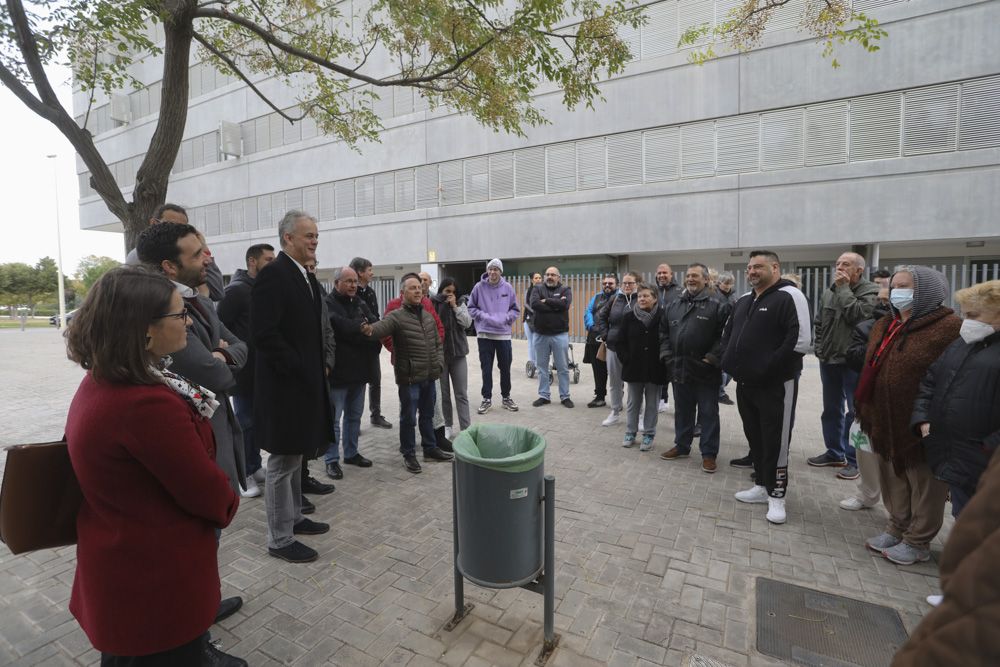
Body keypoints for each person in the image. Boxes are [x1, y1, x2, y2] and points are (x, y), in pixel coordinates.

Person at [64, 267, 244, 666]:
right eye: (180, 315)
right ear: (145, 329)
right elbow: (206, 491)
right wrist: (228, 498)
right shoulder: (145, 403)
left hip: (123, 574)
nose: (187, 324)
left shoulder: (105, 380)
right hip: (154, 588)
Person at [136, 221, 249, 624]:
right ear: (168, 265)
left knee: (206, 546)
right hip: (198, 448)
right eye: (198, 253)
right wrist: (220, 356)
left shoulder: (196, 300)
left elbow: (238, 345)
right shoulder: (158, 313)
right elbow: (215, 374)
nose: (208, 258)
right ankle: (195, 626)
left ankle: (204, 606)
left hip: (212, 438)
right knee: (192, 549)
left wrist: (222, 353)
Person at [855, 266, 961, 565]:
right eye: (894, 285)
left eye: (906, 286)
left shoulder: (949, 328)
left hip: (919, 423)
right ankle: (897, 525)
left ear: (927, 291)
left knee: (924, 482)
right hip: (882, 418)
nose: (896, 292)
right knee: (893, 477)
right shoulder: (885, 325)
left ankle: (918, 541)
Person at [252, 210, 333, 564]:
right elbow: (265, 334)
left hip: (304, 387)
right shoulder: (274, 276)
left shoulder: (304, 276)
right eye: (308, 236)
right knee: (282, 462)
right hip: (286, 390)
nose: (314, 241)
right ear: (288, 238)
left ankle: (295, 517)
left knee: (297, 457)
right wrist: (298, 368)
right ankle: (279, 539)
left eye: (316, 235)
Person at [723, 250, 812, 525]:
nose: (752, 271)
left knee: (776, 440)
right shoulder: (743, 300)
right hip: (745, 383)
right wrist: (729, 363)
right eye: (749, 267)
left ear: (775, 268)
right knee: (756, 437)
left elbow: (800, 341)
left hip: (776, 385)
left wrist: (766, 368)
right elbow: (728, 334)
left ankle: (777, 495)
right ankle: (761, 486)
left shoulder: (791, 296)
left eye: (758, 267)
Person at [912, 279, 1000, 517]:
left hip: (984, 461)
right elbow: (930, 380)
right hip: (956, 456)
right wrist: (923, 420)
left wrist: (987, 447)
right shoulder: (962, 344)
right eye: (964, 314)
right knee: (964, 520)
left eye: (973, 314)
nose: (966, 322)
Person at [363, 273, 453, 473]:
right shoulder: (396, 316)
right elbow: (379, 329)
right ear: (402, 293)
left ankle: (430, 449)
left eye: (419, 288)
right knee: (408, 418)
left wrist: (438, 365)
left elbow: (438, 344)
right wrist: (368, 329)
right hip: (410, 378)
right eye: (412, 288)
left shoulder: (428, 316)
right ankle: (409, 454)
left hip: (429, 376)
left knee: (427, 416)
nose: (418, 290)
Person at [808, 252, 880, 481]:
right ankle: (834, 452)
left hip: (852, 363)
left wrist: (844, 289)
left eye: (845, 264)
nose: (839, 267)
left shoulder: (870, 291)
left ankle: (854, 460)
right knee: (831, 409)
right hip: (828, 359)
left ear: (859, 270)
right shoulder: (831, 291)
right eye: (837, 263)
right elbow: (819, 322)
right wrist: (819, 348)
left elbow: (858, 317)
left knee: (855, 412)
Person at [659, 264, 731, 472]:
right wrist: (666, 355)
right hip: (678, 367)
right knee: (682, 411)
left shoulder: (718, 304)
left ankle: (708, 454)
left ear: (706, 280)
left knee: (708, 413)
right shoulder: (674, 303)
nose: (690, 279)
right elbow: (663, 332)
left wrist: (711, 358)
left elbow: (725, 335)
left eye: (695, 276)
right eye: (688, 275)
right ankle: (681, 446)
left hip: (705, 370)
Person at [218, 243, 275, 498]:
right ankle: (244, 476)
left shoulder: (262, 289)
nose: (273, 264)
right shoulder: (237, 291)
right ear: (253, 261)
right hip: (243, 371)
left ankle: (254, 465)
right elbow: (220, 327)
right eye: (268, 259)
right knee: (244, 423)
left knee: (255, 421)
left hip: (261, 370)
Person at [839, 280, 893, 512]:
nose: (883, 304)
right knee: (863, 446)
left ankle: (898, 508)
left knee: (891, 456)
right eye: (879, 300)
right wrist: (877, 342)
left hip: (897, 403)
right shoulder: (867, 327)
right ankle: (868, 494)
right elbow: (853, 357)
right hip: (868, 398)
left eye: (887, 299)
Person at [323, 267, 377, 480]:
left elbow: (374, 322)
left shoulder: (360, 302)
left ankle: (351, 453)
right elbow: (339, 326)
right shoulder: (328, 304)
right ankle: (331, 460)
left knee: (354, 417)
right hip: (338, 373)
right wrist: (360, 328)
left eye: (355, 281)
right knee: (334, 420)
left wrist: (359, 329)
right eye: (349, 281)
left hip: (360, 371)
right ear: (337, 283)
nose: (354, 285)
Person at [125, 203, 225, 302]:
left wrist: (203, 247)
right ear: (154, 223)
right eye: (170, 225)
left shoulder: (189, 256)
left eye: (182, 227)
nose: (178, 231)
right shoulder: (138, 256)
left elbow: (217, 293)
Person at [617, 284, 667, 451]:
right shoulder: (629, 317)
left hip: (655, 368)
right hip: (634, 368)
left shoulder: (663, 316)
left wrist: (664, 360)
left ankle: (649, 434)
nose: (642, 299)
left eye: (646, 296)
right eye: (639, 296)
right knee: (633, 403)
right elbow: (620, 342)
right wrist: (626, 359)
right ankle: (630, 432)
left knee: (652, 404)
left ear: (654, 298)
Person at [467, 258, 520, 414]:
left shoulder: (508, 288)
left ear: (500, 272)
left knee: (505, 368)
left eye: (496, 269)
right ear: (487, 271)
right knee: (486, 369)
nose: (492, 272)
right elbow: (471, 307)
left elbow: (515, 310)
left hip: (503, 335)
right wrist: (484, 317)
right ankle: (486, 398)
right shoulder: (478, 287)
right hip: (484, 334)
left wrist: (505, 318)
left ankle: (506, 397)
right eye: (490, 269)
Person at [351, 256, 393, 429]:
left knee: (375, 380)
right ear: (360, 272)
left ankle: (376, 415)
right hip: (357, 347)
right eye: (369, 270)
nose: (372, 273)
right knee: (357, 384)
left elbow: (374, 316)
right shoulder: (351, 294)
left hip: (372, 344)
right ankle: (354, 421)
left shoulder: (370, 291)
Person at [595, 271, 639, 426]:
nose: (627, 286)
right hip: (613, 347)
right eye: (624, 283)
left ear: (637, 284)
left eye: (630, 283)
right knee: (614, 382)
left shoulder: (641, 299)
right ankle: (614, 412)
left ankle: (638, 417)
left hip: (635, 350)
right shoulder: (615, 298)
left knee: (635, 384)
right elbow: (601, 316)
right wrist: (606, 335)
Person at [433, 277, 473, 434]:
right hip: (440, 355)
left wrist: (455, 306)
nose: (450, 295)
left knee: (461, 393)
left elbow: (468, 323)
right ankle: (447, 425)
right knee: (443, 394)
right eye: (447, 291)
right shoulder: (434, 303)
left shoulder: (461, 303)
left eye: (453, 292)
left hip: (459, 354)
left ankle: (466, 428)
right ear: (441, 290)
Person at [530, 266, 574, 408]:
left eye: (553, 275)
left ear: (558, 277)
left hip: (559, 334)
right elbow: (535, 304)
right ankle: (544, 396)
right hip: (540, 334)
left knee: (563, 368)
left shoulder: (565, 290)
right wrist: (556, 304)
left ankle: (565, 396)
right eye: (547, 274)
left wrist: (546, 301)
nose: (550, 277)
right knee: (542, 367)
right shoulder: (537, 288)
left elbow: (565, 304)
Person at [583, 274, 617, 408]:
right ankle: (600, 397)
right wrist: (591, 326)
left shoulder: (620, 297)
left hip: (612, 339)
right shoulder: (597, 296)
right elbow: (588, 311)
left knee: (615, 371)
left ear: (616, 284)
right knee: (598, 370)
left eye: (610, 283)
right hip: (595, 338)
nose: (607, 285)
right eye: (605, 283)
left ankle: (617, 399)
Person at [655, 263, 682, 412]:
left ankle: (680, 407)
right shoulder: (654, 290)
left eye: (665, 273)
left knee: (675, 373)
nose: (662, 276)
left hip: (675, 337)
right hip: (657, 337)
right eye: (659, 273)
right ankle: (662, 399)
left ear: (671, 275)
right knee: (661, 369)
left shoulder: (680, 291)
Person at [715, 271, 738, 406]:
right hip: (718, 333)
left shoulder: (734, 296)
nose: (728, 286)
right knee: (722, 367)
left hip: (729, 333)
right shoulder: (715, 295)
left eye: (730, 283)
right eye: (725, 283)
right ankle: (720, 392)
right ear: (719, 282)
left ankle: (720, 390)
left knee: (728, 368)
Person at [523, 272, 543, 375]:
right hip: (529, 320)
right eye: (536, 278)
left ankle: (540, 364)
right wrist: (534, 310)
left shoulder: (544, 290)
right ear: (532, 280)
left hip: (540, 320)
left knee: (539, 343)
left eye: (540, 278)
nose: (539, 279)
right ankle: (532, 364)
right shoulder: (529, 290)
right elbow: (525, 304)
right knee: (532, 343)